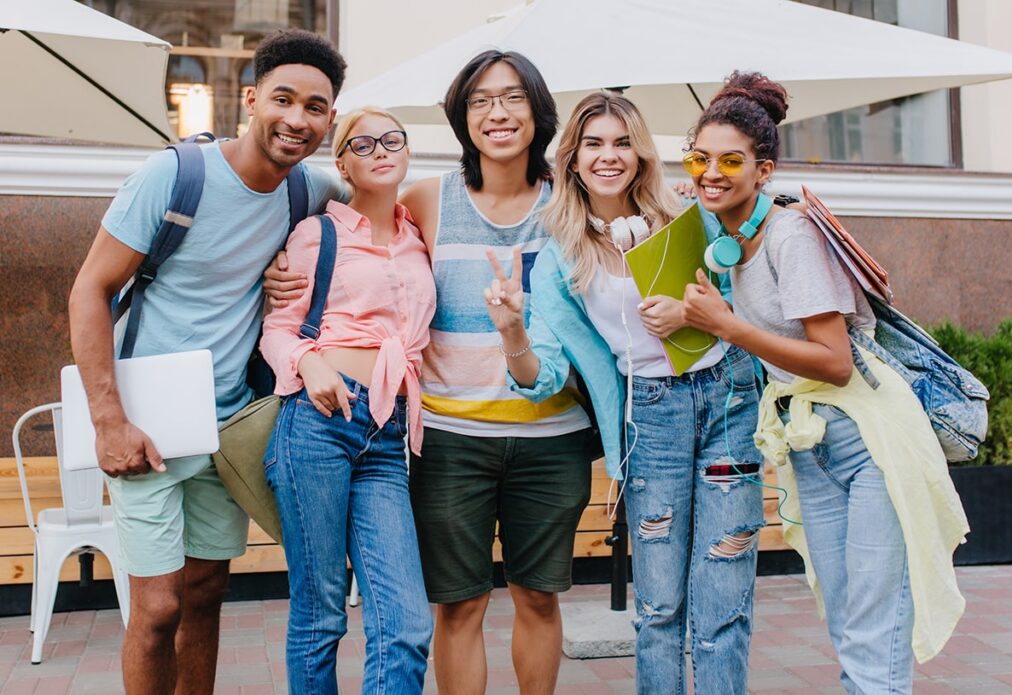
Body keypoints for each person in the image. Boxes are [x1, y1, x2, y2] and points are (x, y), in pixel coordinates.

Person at [266, 50, 594, 695]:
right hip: (440, 434)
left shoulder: (571, 205)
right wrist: (287, 298)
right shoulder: (425, 198)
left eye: (512, 97)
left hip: (542, 434)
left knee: (529, 599)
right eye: (479, 101)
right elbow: (356, 213)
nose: (496, 113)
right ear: (460, 119)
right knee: (445, 605)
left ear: (539, 109)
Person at [67, 29, 346, 695]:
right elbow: (89, 290)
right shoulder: (174, 175)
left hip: (227, 425)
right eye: (283, 99)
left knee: (205, 591)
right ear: (251, 99)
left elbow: (383, 205)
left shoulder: (307, 191)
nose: (297, 119)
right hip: (145, 425)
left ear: (330, 119)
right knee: (158, 607)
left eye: (316, 107)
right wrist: (109, 420)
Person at [678, 71, 969, 694]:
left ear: (765, 169)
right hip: (810, 443)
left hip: (867, 438)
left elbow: (834, 359)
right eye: (699, 158)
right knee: (845, 618)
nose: (711, 172)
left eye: (731, 159)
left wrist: (727, 327)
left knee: (873, 627)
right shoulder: (737, 236)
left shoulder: (792, 234)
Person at [483, 91, 764, 695]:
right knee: (659, 606)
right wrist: (512, 333)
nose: (609, 156)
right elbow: (546, 375)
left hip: (726, 402)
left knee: (723, 596)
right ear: (573, 158)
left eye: (622, 142)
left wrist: (692, 315)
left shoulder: (690, 213)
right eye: (593, 144)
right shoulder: (561, 251)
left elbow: (750, 287)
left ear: (640, 153)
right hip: (651, 419)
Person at [260, 106, 435, 694]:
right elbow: (279, 328)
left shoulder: (419, 240)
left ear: (407, 152)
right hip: (319, 423)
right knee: (322, 612)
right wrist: (310, 366)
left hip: (386, 436)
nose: (381, 150)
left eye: (393, 140)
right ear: (343, 163)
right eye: (363, 144)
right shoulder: (318, 234)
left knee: (406, 623)